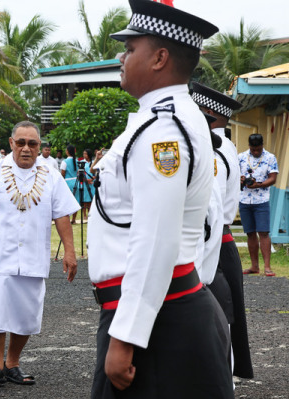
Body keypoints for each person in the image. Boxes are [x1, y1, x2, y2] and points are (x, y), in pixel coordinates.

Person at [87, 1, 233, 397]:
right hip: (165, 310)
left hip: (155, 323)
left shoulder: (162, 130)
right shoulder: (170, 117)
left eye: (131, 48)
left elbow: (155, 239)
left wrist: (125, 337)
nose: (122, 56)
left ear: (160, 58)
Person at [0, 121, 79, 386]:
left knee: (27, 313)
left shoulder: (51, 174)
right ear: (10, 143)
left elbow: (62, 214)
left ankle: (13, 363)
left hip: (34, 254)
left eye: (32, 144)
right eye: (20, 143)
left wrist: (70, 251)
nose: (26, 149)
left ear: (39, 147)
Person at [192, 82, 254, 378]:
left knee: (216, 322)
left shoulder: (213, 149)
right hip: (220, 241)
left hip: (213, 243)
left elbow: (209, 207)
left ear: (206, 112)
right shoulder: (225, 145)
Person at [238, 133, 278, 277]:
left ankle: (267, 267)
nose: (255, 152)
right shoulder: (241, 157)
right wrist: (241, 179)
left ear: (262, 146)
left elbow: (273, 178)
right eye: (253, 149)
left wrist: (258, 185)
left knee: (264, 232)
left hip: (261, 201)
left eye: (258, 149)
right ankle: (254, 266)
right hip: (244, 200)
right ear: (249, 146)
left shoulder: (270, 157)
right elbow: (234, 176)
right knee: (250, 233)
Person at [60, 145, 90, 224]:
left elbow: (62, 174)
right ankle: (73, 219)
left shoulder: (64, 162)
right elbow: (79, 173)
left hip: (67, 182)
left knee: (66, 201)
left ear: (67, 151)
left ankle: (67, 219)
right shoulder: (77, 161)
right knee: (75, 201)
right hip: (76, 182)